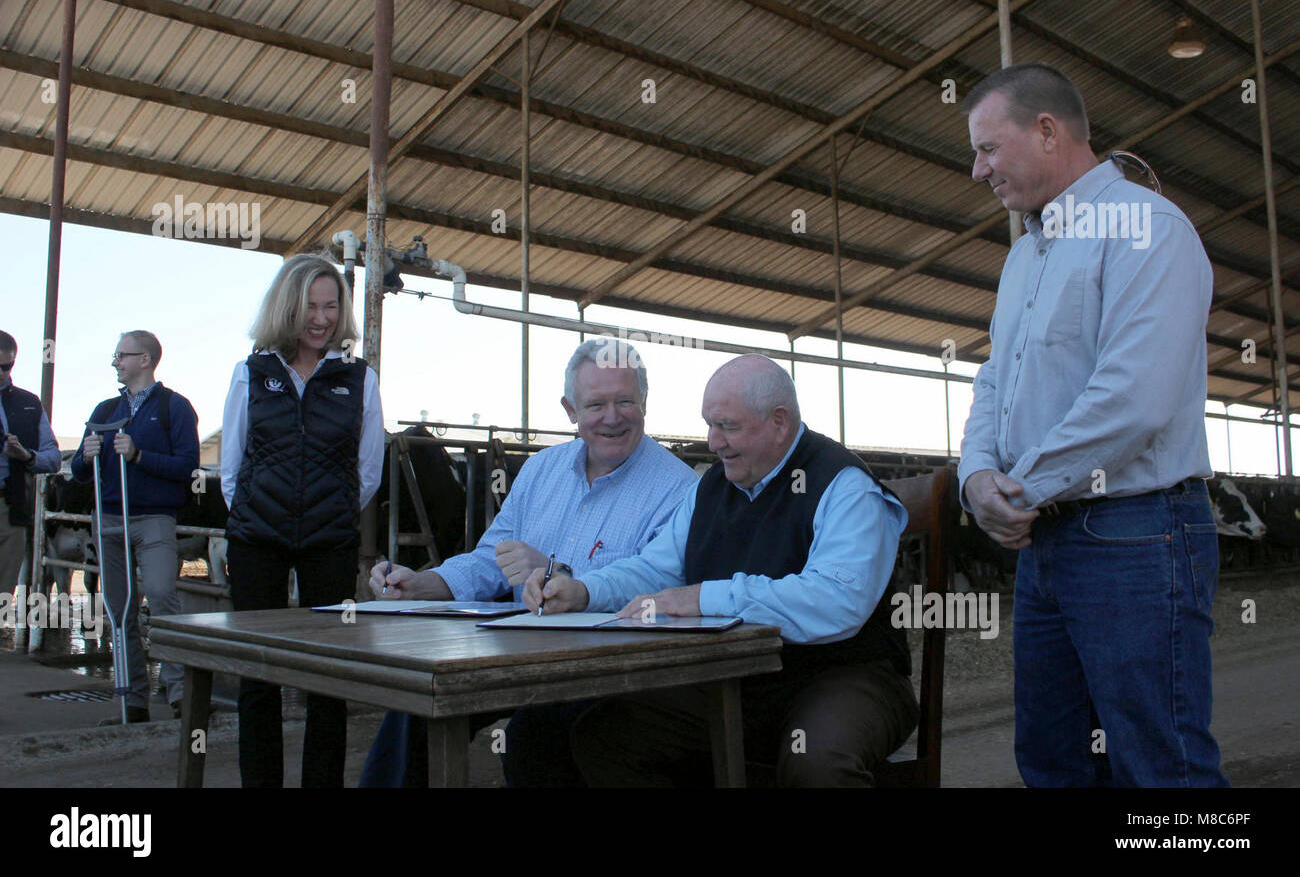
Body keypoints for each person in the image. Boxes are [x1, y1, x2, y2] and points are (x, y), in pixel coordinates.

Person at [957, 63, 1227, 787]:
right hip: (1047, 537)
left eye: (988, 147)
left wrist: (1017, 489)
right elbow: (995, 380)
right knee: (1055, 759)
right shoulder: (1024, 256)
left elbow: (1134, 397)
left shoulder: (1148, 229)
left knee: (1159, 764)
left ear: (1047, 130)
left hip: (1135, 530)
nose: (977, 168)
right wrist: (975, 475)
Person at [525, 354, 917, 787]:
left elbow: (837, 601)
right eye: (709, 424)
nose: (713, 442)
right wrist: (582, 590)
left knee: (816, 763)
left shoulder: (844, 485)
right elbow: (657, 569)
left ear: (779, 422)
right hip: (740, 678)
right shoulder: (711, 488)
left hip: (846, 676)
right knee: (606, 734)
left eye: (727, 426)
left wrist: (702, 597)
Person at [363, 337, 697, 787]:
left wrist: (564, 575)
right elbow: (491, 557)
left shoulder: (677, 487)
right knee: (421, 697)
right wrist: (423, 584)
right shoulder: (541, 470)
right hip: (519, 650)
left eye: (625, 402)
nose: (613, 417)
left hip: (613, 665)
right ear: (569, 409)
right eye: (596, 404)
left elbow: (659, 582)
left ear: (645, 402)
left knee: (534, 734)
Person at [221, 254, 384, 787]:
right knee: (257, 674)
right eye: (310, 306)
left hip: (329, 543)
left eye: (331, 306)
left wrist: (330, 513)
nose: (321, 318)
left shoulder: (359, 379)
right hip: (256, 542)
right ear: (287, 307)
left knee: (328, 675)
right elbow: (232, 466)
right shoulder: (251, 373)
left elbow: (367, 470)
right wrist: (255, 516)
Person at [69, 331, 201, 723]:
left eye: (121, 356)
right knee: (118, 609)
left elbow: (187, 467)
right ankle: (133, 700)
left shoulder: (174, 407)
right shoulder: (106, 409)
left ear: (145, 359)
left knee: (162, 600)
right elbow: (78, 471)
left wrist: (140, 456)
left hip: (154, 517)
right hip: (109, 516)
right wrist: (85, 457)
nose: (115, 362)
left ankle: (181, 696)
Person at [0, 330, 61, 600]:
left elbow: (54, 458)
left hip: (9, 508)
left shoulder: (29, 403)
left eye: (6, 366)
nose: (1, 372)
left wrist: (26, 456)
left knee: (2, 592)